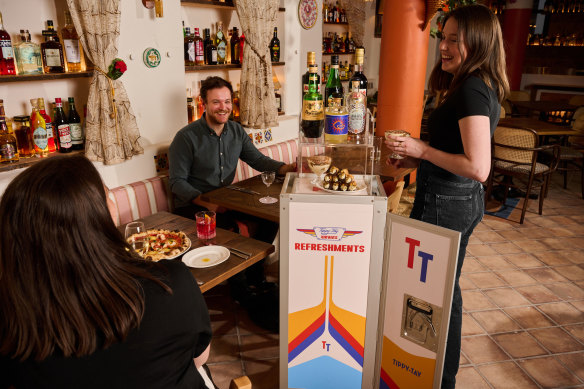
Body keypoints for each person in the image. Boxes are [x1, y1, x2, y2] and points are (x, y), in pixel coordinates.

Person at [0, 155, 212, 389]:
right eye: (107, 194)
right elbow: (199, 358)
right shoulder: (170, 282)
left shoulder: (10, 314)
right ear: (99, 215)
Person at [384, 5, 509, 388]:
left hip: (448, 201)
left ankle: (437, 378)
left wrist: (422, 151)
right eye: (444, 37)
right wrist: (414, 155)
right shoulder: (476, 82)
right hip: (453, 197)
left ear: (480, 41)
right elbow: (457, 152)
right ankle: (435, 376)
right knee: (442, 291)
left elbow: (478, 167)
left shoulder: (472, 86)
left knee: (437, 295)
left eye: (456, 39)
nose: (445, 46)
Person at [169, 76, 293, 331]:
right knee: (230, 229)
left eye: (227, 101)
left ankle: (256, 275)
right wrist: (208, 203)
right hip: (192, 204)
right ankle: (239, 290)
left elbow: (257, 159)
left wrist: (287, 168)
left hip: (224, 198)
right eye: (216, 102)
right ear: (203, 103)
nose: (223, 107)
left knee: (269, 218)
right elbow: (176, 182)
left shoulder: (236, 130)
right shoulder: (185, 137)